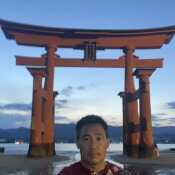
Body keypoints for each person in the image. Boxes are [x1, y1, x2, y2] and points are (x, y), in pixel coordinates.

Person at [58, 114, 123, 175]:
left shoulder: (119, 173)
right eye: (87, 139)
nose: (93, 146)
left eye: (98, 138)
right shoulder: (67, 173)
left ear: (107, 143)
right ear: (77, 143)